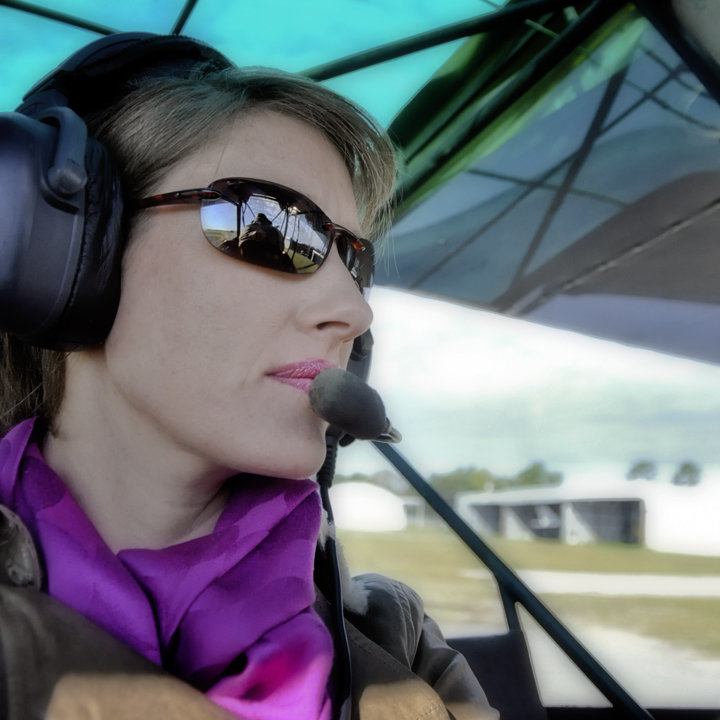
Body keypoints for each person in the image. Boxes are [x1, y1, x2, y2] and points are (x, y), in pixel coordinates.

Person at [0, 33, 499, 720]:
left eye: (354, 260)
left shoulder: (403, 648)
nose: (352, 311)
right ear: (73, 252)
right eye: (270, 225)